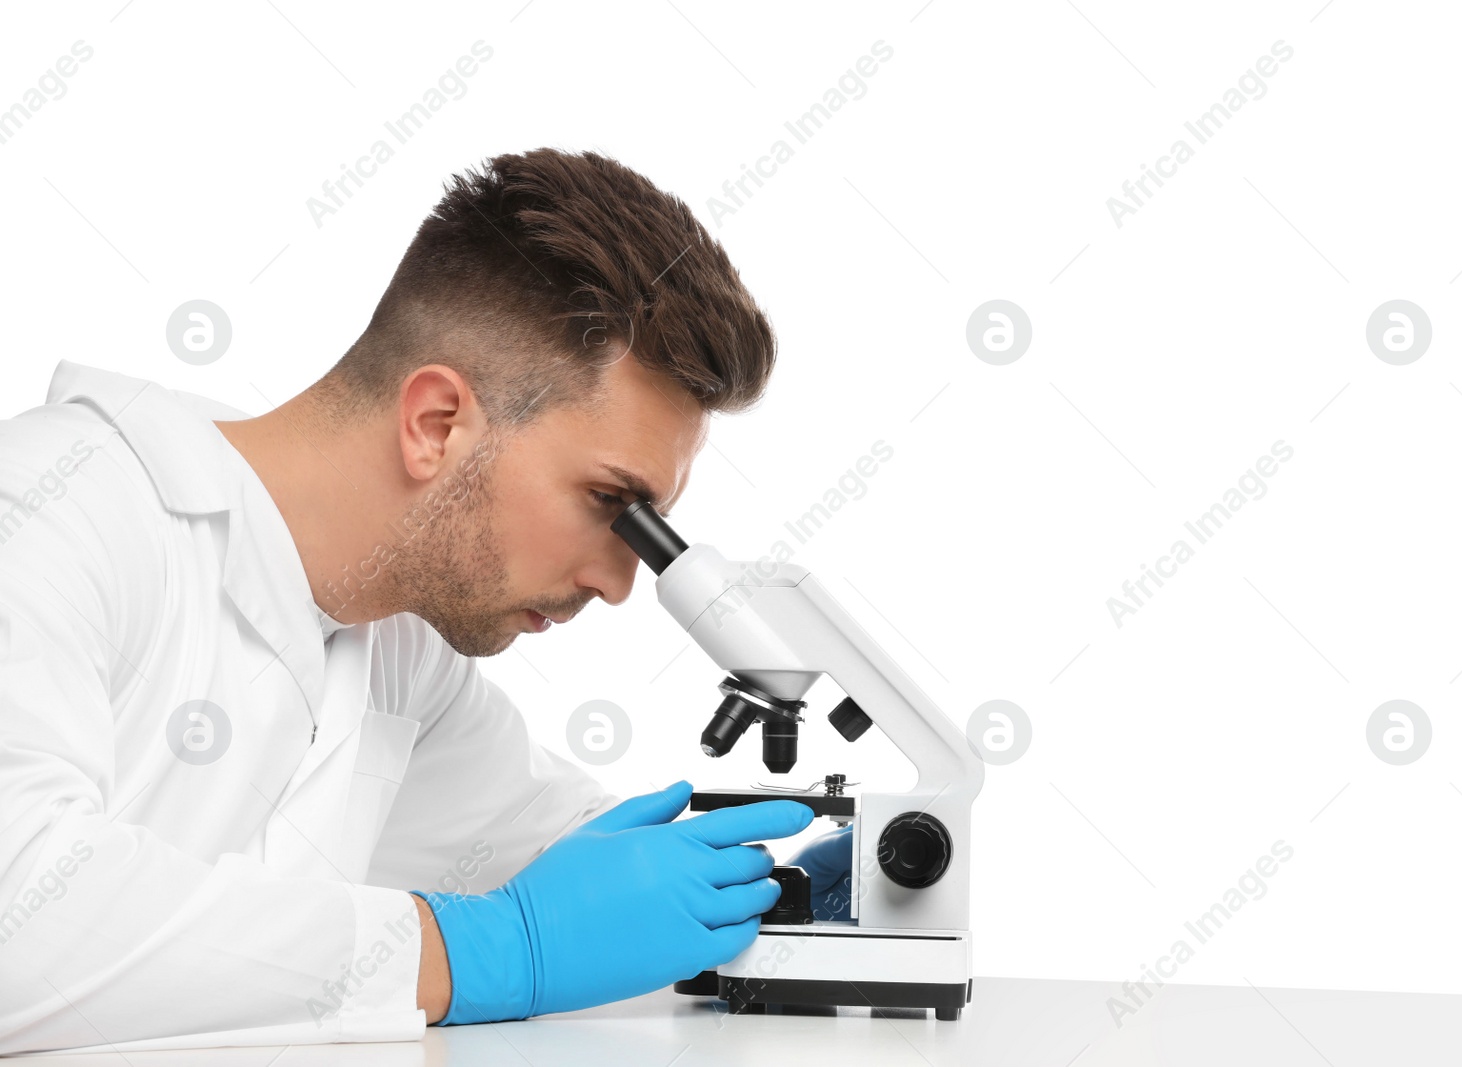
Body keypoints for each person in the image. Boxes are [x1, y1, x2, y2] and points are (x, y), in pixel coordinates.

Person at [0, 148, 852, 1053]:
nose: (616, 582)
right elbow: (21, 920)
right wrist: (483, 950)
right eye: (612, 505)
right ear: (437, 424)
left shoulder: (393, 644)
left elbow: (564, 863)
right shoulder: (53, 509)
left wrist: (797, 890)